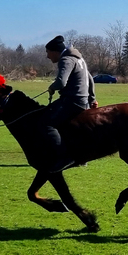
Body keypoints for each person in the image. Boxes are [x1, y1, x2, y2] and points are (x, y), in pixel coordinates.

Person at [32, 35, 99, 172]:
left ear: (55, 51)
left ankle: (64, 157)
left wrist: (52, 87)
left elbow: (61, 82)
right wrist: (92, 99)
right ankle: (81, 157)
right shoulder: (79, 58)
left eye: (48, 52)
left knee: (45, 123)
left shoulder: (66, 60)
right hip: (83, 101)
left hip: (72, 101)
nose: (47, 56)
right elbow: (90, 79)